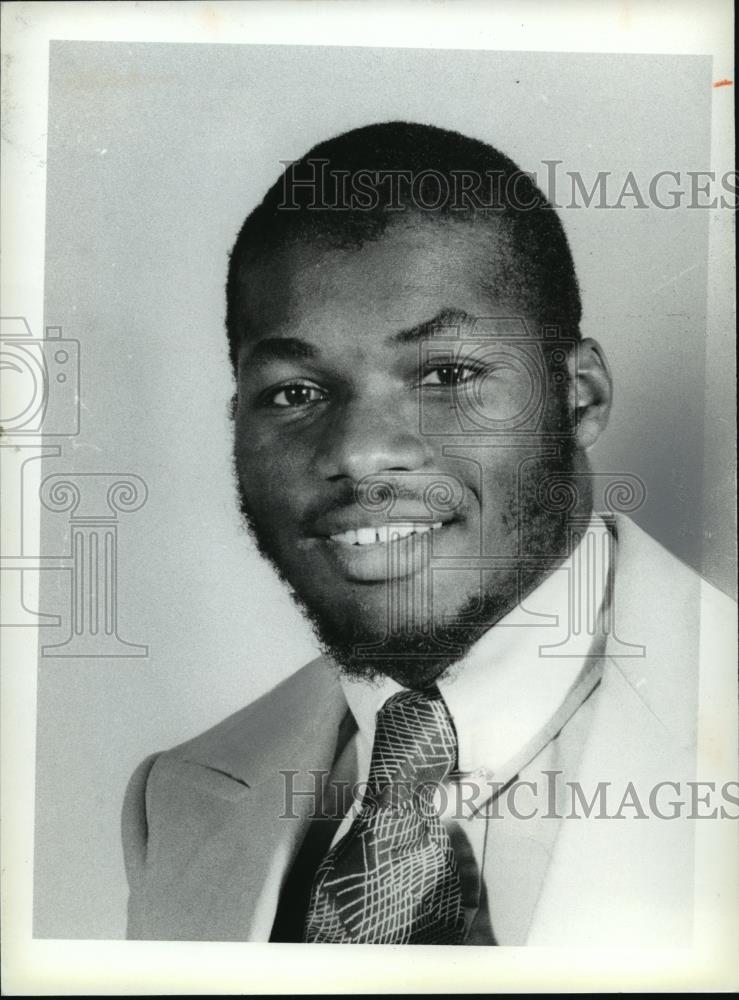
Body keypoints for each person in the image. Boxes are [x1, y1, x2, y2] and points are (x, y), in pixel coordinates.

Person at [122, 121, 735, 946]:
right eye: (296, 392)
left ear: (578, 397)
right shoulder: (178, 801)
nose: (358, 452)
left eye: (447, 375)